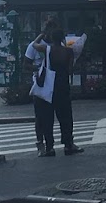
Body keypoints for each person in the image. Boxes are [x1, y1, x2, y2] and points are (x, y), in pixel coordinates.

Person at [26, 20, 84, 156]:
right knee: (65, 117)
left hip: (48, 85)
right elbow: (70, 70)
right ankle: (68, 145)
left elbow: (35, 45)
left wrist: (40, 35)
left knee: (46, 117)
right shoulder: (68, 51)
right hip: (63, 85)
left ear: (51, 37)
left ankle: (49, 147)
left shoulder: (47, 49)